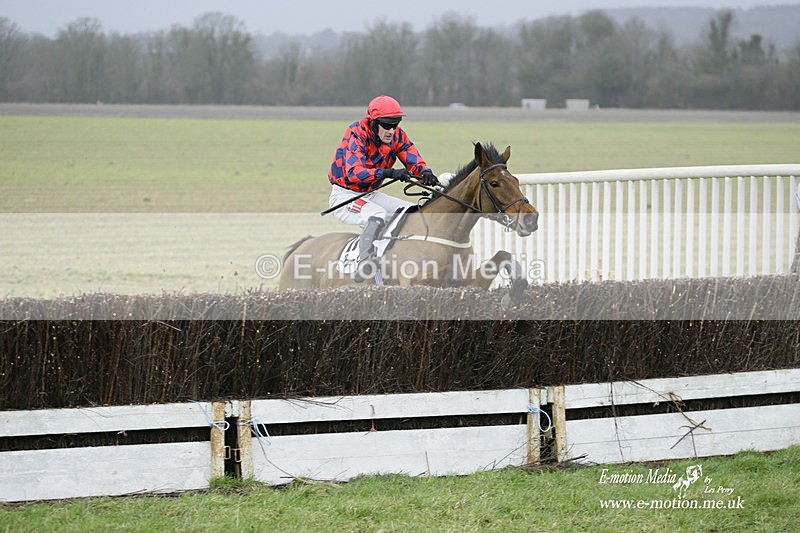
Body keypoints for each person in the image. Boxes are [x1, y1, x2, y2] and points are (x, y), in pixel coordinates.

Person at [328, 95, 439, 281]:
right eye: (386, 125)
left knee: (410, 211)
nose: (391, 130)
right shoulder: (356, 133)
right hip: (345, 195)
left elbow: (411, 156)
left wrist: (424, 172)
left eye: (395, 124)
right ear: (373, 122)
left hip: (369, 194)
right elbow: (355, 173)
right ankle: (365, 263)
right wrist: (389, 173)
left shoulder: (397, 135)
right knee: (377, 215)